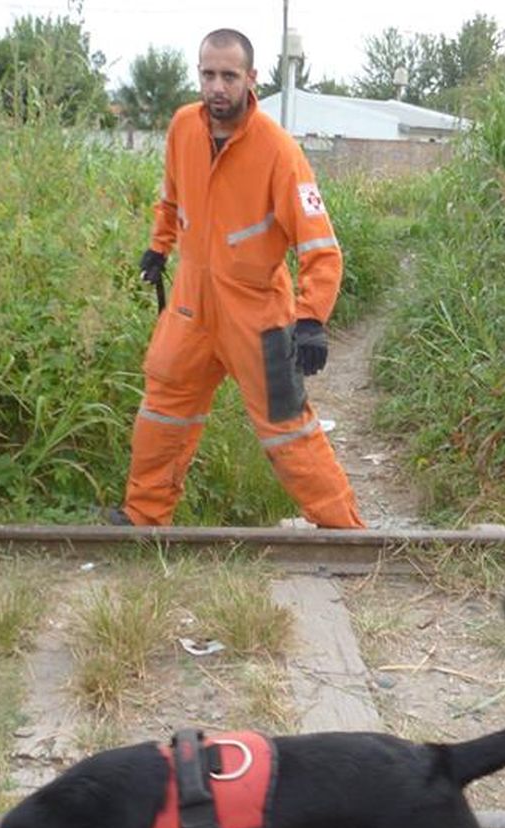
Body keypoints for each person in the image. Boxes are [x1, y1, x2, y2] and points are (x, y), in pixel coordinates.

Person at [107, 28, 364, 529]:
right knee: (163, 413)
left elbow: (319, 245)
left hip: (256, 315)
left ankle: (344, 531)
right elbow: (172, 199)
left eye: (229, 75)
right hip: (189, 307)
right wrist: (159, 247)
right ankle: (143, 517)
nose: (217, 86)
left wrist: (311, 318)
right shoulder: (183, 127)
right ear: (198, 74)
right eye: (208, 74)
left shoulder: (278, 151)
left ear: (252, 78)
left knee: (288, 427)